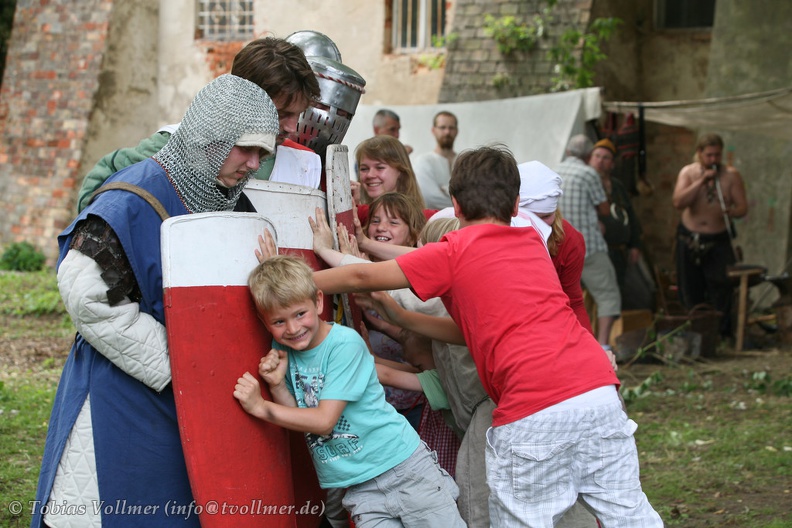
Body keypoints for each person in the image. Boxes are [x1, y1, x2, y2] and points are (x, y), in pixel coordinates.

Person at [312, 145, 663, 528]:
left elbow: (363, 276)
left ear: (456, 205)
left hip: (534, 404)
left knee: (521, 520)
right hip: (598, 392)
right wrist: (402, 316)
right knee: (628, 513)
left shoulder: (453, 252)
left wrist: (299, 282)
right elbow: (468, 333)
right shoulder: (532, 242)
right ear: (516, 206)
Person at [32, 74, 281, 527]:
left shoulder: (229, 202)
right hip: (123, 394)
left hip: (196, 397)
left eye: (263, 152)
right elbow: (88, 298)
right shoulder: (131, 198)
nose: (253, 162)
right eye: (245, 148)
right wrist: (183, 367)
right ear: (210, 137)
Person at [233, 253, 465, 528]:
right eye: (279, 322)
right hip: (357, 486)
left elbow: (323, 421)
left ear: (318, 301)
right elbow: (300, 417)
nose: (293, 328)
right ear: (264, 321)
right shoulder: (283, 350)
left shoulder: (344, 344)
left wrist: (261, 407)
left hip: (403, 470)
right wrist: (277, 385)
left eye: (300, 314)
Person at [672, 133, 747, 336]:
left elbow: (742, 207)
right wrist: (701, 182)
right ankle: (695, 333)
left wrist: (733, 212)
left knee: (721, 286)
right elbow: (679, 202)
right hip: (690, 238)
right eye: (709, 155)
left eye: (717, 155)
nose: (713, 160)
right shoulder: (688, 173)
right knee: (690, 286)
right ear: (699, 153)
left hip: (718, 238)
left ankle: (719, 334)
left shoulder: (731, 175)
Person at [558, 134, 622, 346]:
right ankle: (602, 345)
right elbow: (604, 208)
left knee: (564, 299)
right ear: (588, 156)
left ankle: (568, 342)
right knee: (607, 295)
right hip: (589, 247)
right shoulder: (588, 174)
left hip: (558, 247)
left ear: (568, 152)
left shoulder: (554, 171)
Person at [589, 139, 647, 308]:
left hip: (619, 252)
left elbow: (631, 215)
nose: (600, 161)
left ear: (612, 164)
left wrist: (635, 244)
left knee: (620, 294)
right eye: (597, 156)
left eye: (605, 158)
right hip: (597, 251)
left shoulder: (617, 186)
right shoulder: (585, 183)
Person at [352, 135, 429, 224]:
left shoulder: (421, 219)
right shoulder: (359, 213)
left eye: (380, 167)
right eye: (364, 169)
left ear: (400, 170)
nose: (370, 175)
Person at [412, 111, 459, 209]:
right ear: (433, 130)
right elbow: (430, 199)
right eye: (442, 127)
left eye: (451, 128)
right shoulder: (424, 161)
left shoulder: (465, 162)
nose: (447, 132)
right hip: (437, 223)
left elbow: (475, 196)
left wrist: (444, 190)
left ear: (456, 131)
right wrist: (463, 203)